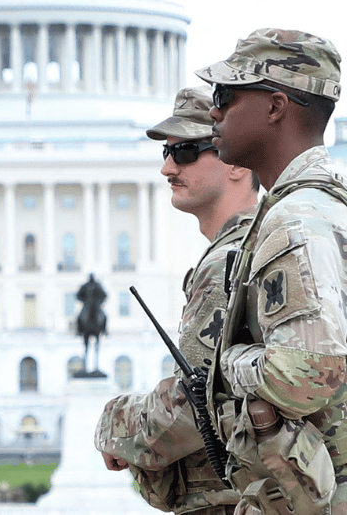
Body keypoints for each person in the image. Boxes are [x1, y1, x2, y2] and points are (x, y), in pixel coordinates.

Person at [198, 29, 347, 515]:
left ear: (275, 106)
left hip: (332, 496)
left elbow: (303, 373)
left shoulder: (300, 217)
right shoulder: (336, 201)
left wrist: (228, 364)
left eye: (225, 95)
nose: (214, 113)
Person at [95, 86, 258, 515]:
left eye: (185, 151)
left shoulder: (233, 259)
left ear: (237, 161)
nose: (168, 168)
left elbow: (198, 400)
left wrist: (113, 424)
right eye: (166, 153)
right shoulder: (248, 247)